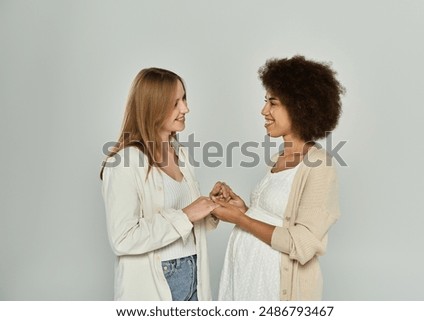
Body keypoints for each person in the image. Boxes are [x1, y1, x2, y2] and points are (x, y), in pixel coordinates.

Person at [210, 55, 344, 300]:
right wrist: (244, 209)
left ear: (299, 107)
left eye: (273, 103)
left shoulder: (319, 166)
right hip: (246, 280)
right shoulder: (278, 157)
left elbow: (301, 244)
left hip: (275, 290)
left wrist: (240, 219)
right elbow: (279, 220)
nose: (264, 111)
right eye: (265, 102)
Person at [100, 68, 219, 301]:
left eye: (184, 99)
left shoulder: (180, 154)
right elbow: (122, 238)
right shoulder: (124, 161)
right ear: (152, 107)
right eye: (175, 103)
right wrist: (185, 214)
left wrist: (212, 206)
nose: (185, 109)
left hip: (194, 272)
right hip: (160, 279)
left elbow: (187, 225)